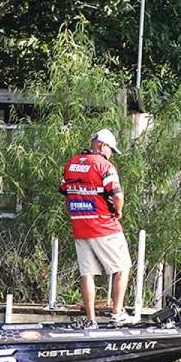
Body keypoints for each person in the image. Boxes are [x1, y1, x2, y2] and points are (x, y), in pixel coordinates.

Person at [60, 129, 131, 328]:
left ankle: (91, 320)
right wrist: (118, 211)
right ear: (102, 145)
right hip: (103, 225)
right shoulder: (104, 166)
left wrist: (76, 214)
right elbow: (117, 195)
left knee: (87, 273)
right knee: (123, 267)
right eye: (111, 150)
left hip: (79, 225)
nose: (111, 155)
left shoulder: (71, 164)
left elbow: (66, 198)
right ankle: (117, 313)